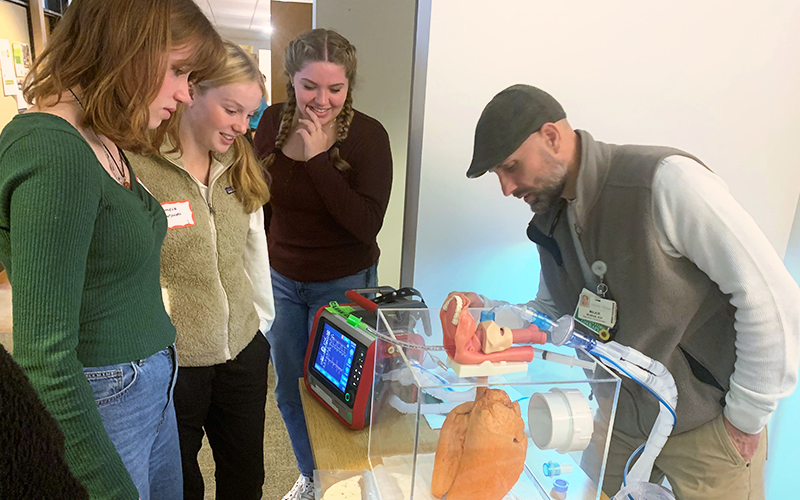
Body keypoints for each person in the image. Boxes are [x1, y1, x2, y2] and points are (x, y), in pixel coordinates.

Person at [464, 84, 800, 499]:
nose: (506, 188)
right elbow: (552, 316)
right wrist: (489, 315)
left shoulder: (664, 181)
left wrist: (745, 421)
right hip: (617, 423)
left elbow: (772, 299)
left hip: (706, 429)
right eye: (499, 174)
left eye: (511, 167)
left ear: (551, 136)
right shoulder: (552, 218)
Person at [0, 1, 224, 499]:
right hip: (106, 394)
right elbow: (45, 354)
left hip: (149, 382)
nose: (186, 94)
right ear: (128, 45)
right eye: (178, 71)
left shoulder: (99, 137)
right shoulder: (52, 151)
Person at [128, 40, 275, 500]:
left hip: (242, 353)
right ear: (192, 92)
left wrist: (260, 329)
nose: (243, 126)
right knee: (179, 482)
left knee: (245, 476)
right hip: (176, 363)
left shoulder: (239, 164)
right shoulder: (139, 167)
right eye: (232, 110)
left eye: (250, 115)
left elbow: (256, 252)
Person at [253, 28, 393, 500]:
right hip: (282, 280)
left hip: (345, 281)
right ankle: (313, 476)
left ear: (350, 85)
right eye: (310, 86)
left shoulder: (369, 136)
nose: (322, 100)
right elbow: (263, 204)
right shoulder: (272, 121)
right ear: (291, 79)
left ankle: (347, 480)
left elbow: (366, 225)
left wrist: (317, 161)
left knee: (341, 393)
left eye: (336, 88)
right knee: (291, 389)